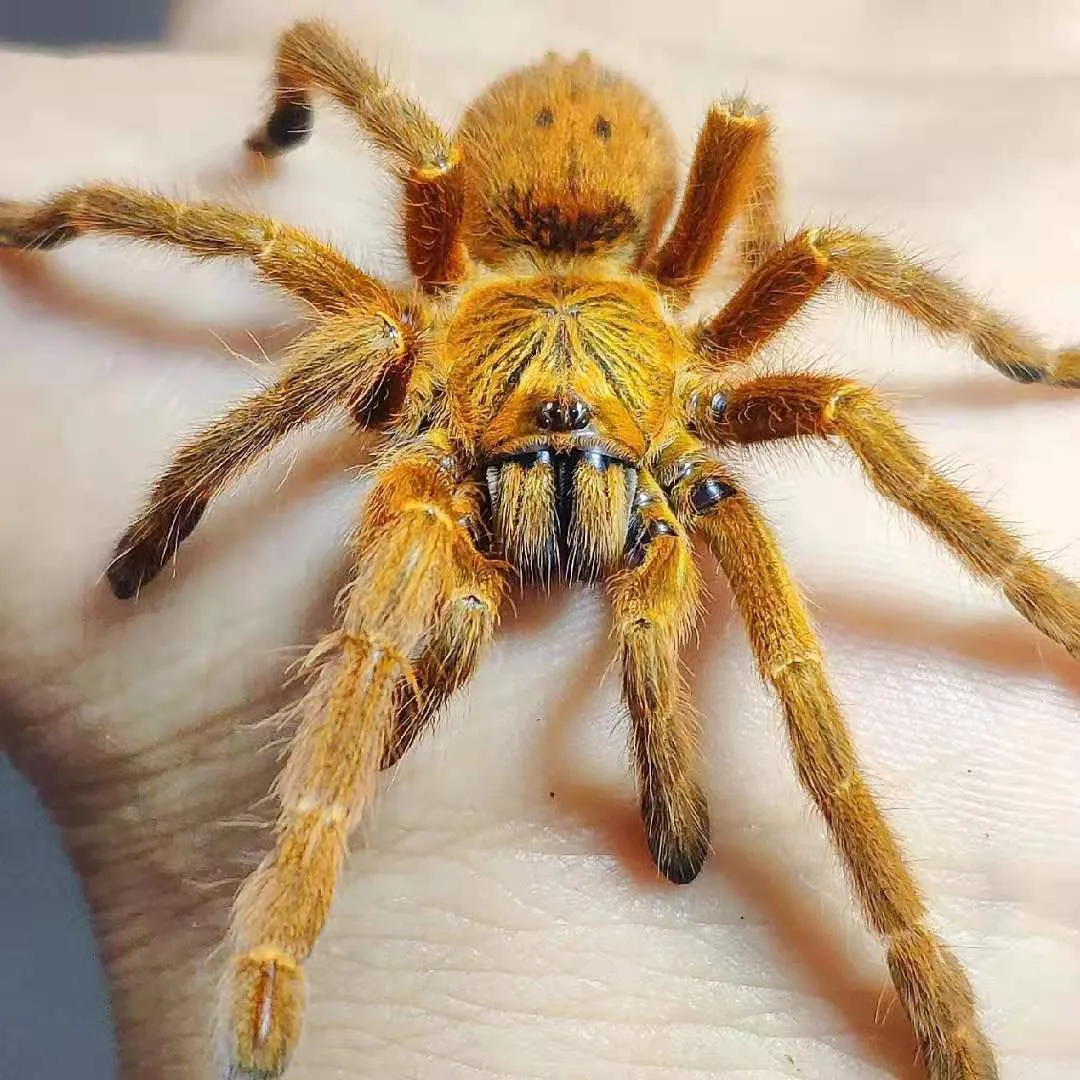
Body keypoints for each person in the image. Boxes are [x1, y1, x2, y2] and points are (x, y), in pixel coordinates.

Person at [1, 27, 1077, 1080]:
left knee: (811, 585)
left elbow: (822, 256)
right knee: (369, 589)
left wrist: (1005, 363)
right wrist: (184, 491)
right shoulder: (400, 338)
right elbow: (268, 233)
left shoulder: (692, 365)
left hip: (611, 303)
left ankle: (940, 933)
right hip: (506, 323)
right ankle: (276, 946)